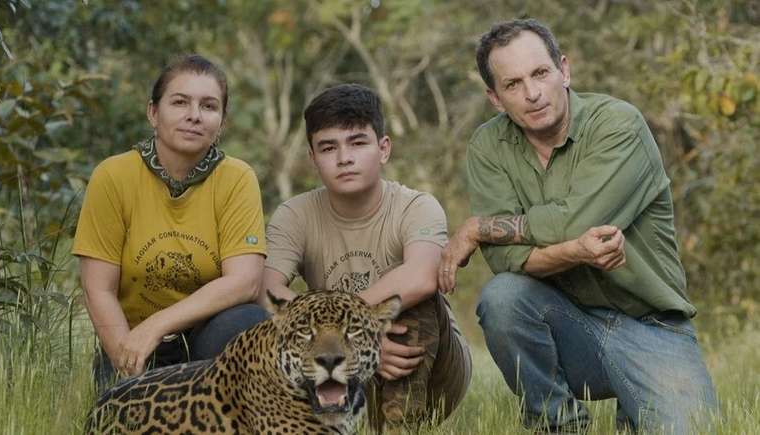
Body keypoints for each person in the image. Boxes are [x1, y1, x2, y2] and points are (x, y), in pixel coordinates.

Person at [439, 19, 717, 434]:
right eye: (513, 84)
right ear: (495, 99)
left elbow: (579, 221)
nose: (532, 94)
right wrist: (574, 251)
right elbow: (508, 260)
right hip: (565, 324)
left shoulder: (618, 124)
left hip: (652, 327)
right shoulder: (488, 146)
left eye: (540, 73)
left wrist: (481, 226)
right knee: (503, 298)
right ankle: (557, 424)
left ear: (564, 71)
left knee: (692, 429)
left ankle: (636, 404)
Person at [263, 84, 472, 430]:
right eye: (328, 147)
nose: (344, 158)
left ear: (383, 148)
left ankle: (399, 427)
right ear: (313, 158)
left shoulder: (416, 206)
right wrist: (347, 344)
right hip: (333, 367)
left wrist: (351, 338)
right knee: (264, 327)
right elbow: (267, 290)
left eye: (357, 142)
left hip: (431, 373)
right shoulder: (294, 215)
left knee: (413, 300)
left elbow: (421, 276)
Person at [73, 54, 269, 392]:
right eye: (180, 102)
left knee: (250, 321)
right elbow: (98, 288)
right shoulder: (113, 176)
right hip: (131, 340)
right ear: (153, 112)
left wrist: (158, 324)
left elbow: (245, 283)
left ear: (221, 122)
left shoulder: (237, 178)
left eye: (209, 106)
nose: (194, 116)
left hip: (207, 344)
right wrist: (128, 357)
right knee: (122, 418)